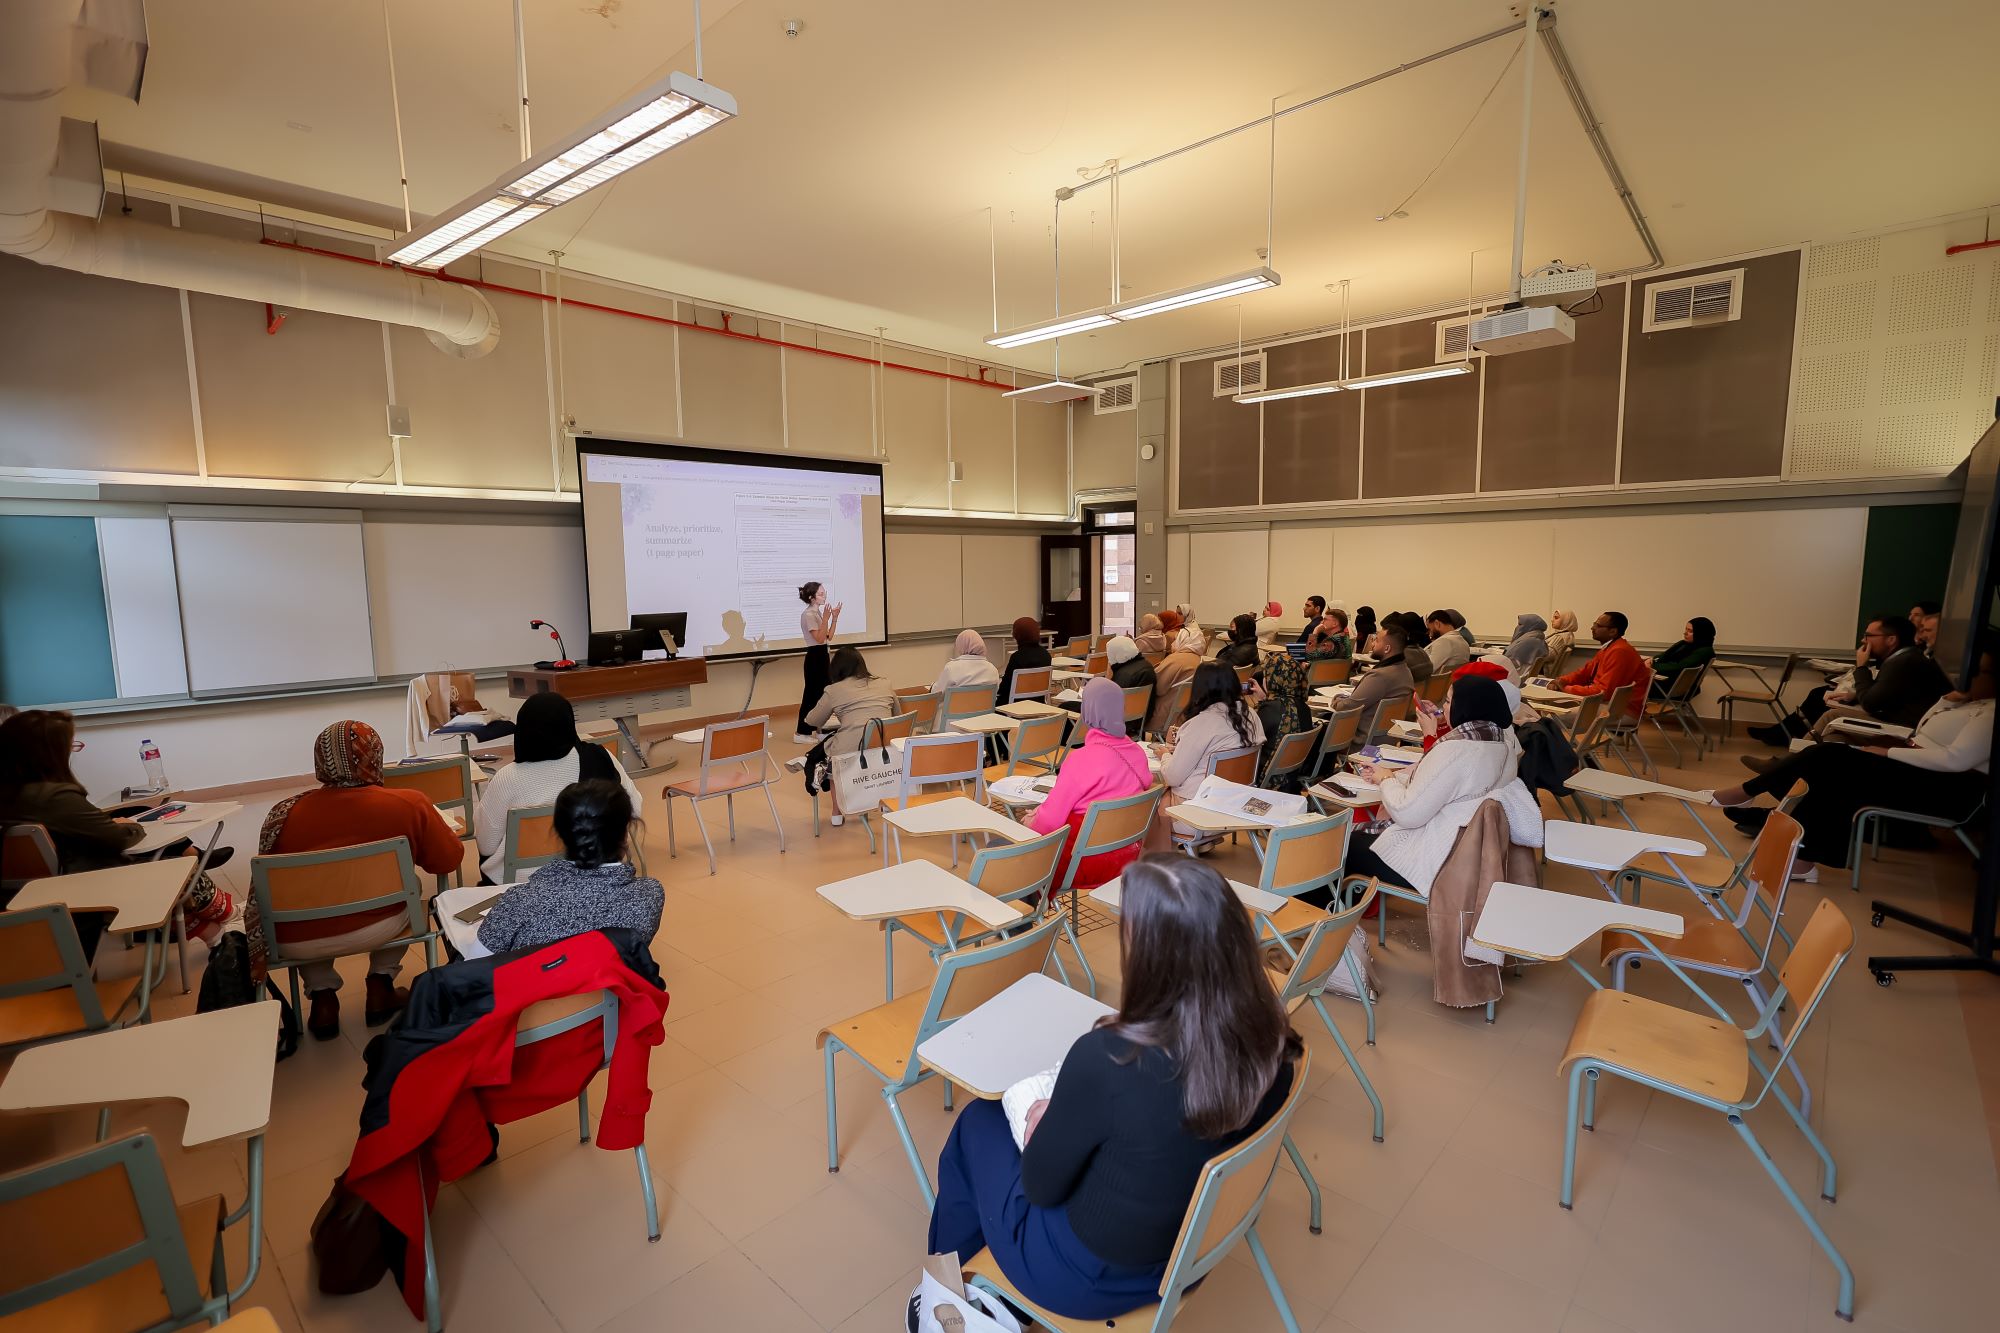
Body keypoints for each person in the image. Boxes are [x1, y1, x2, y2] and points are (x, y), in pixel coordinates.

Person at [927, 854, 1299, 1322]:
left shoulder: (1109, 1058)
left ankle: (950, 1301)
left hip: (1085, 1279)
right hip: (1187, 1255)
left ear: (1148, 957)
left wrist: (1038, 1120)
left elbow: (1040, 1189)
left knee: (978, 1123)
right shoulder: (1276, 1045)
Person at [258, 720, 464, 1037]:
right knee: (414, 890)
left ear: (320, 760)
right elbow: (447, 861)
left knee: (303, 902)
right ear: (376, 756)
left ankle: (323, 998)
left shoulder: (282, 815)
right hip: (378, 926)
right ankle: (381, 982)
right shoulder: (408, 803)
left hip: (296, 939)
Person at [1712, 651, 1993, 877]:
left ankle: (1756, 800)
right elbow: (1924, 728)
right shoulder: (1969, 703)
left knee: (1831, 759)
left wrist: (1889, 754)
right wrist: (1948, 699)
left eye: (1975, 672)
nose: (1963, 677)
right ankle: (1788, 835)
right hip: (1921, 768)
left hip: (1950, 789)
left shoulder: (1992, 713)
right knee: (1832, 766)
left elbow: (1956, 760)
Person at [1337, 677, 1543, 900]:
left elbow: (1407, 814)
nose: (1443, 707)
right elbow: (1451, 788)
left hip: (1437, 859)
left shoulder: (1457, 750)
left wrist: (1386, 778)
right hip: (1467, 855)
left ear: (1464, 707)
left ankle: (1325, 917)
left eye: (1447, 701)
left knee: (1339, 843)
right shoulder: (1502, 744)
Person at [476, 780, 663, 955]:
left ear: (559, 831)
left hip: (535, 989)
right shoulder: (649, 895)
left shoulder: (518, 902)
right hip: (605, 990)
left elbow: (474, 969)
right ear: (626, 831)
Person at [475, 692, 641, 885]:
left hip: (521, 883)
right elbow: (634, 808)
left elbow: (486, 845)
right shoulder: (599, 756)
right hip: (594, 875)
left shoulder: (506, 778)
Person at [1027, 678, 1155, 893]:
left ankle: (1025, 921)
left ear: (1087, 711)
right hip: (1126, 857)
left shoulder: (1081, 759)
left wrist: (1032, 819)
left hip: (1081, 862)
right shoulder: (1137, 753)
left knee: (1013, 854)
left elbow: (1047, 824)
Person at [1751, 614, 1948, 744]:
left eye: (1869, 635)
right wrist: (1853, 696)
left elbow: (1871, 703)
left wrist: (1861, 666)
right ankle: (1791, 769)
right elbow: (1883, 693)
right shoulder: (1904, 658)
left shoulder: (1903, 662)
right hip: (1898, 719)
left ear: (1891, 640)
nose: (1863, 641)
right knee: (1833, 735)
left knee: (1831, 716)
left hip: (1902, 727)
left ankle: (1788, 767)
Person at [801, 647, 900, 827]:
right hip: (883, 747)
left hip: (850, 750)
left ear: (836, 669)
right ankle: (883, 802)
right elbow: (897, 715)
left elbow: (812, 720)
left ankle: (837, 813)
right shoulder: (885, 683)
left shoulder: (834, 690)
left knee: (832, 752)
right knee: (841, 745)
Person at [1161, 663, 1264, 830]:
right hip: (1237, 802)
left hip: (1195, 810)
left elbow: (1173, 777)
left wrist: (1165, 755)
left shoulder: (1201, 724)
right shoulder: (1252, 715)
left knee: (1150, 790)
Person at [1554, 611, 1652, 720]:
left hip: (1620, 710)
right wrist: (1562, 681)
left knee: (1551, 719)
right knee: (1552, 708)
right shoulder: (1610, 647)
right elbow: (1584, 673)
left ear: (1613, 631)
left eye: (1598, 625)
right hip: (1608, 704)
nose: (1592, 628)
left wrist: (1567, 689)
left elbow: (1603, 692)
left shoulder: (1619, 651)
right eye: (1594, 624)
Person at [1336, 624, 1414, 730]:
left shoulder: (1380, 676)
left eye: (1376, 641)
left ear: (1387, 648)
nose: (1372, 644)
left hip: (1360, 739)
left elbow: (1347, 707)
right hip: (1386, 735)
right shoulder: (1405, 670)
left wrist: (1336, 699)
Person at [795, 581, 841, 743]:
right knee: (811, 696)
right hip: (815, 657)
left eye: (824, 593)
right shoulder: (808, 615)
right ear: (811, 597)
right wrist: (826, 619)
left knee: (823, 695)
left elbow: (828, 637)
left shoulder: (818, 614)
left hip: (822, 656)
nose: (824, 596)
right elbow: (819, 638)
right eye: (821, 594)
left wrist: (833, 619)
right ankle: (801, 732)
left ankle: (821, 729)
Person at [1149, 627, 1207, 733]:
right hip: (1187, 715)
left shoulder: (1174, 660)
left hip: (1164, 717)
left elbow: (1155, 688)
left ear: (1183, 641)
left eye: (1176, 639)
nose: (1173, 643)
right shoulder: (1201, 660)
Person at [1649, 617, 1717, 699]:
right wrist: (1651, 661)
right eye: (1686, 629)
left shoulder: (1704, 651)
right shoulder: (1683, 644)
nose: (1685, 633)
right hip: (1669, 683)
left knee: (1636, 686)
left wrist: (1651, 667)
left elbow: (1679, 667)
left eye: (1690, 631)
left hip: (1674, 689)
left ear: (1701, 633)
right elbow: (1663, 655)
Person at [1105, 636, 1157, 738]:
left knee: (1068, 707)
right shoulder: (1146, 665)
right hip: (1140, 720)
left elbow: (1108, 702)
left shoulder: (1123, 675)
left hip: (1118, 722)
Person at [997, 616, 1053, 705]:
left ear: (1017, 635)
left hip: (1016, 706)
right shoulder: (1046, 654)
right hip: (1039, 704)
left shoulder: (1017, 657)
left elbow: (1004, 688)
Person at [933, 628, 1001, 695]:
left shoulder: (951, 668)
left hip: (957, 706)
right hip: (986, 706)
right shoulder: (992, 669)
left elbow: (936, 693)